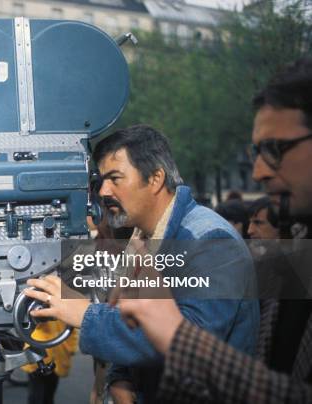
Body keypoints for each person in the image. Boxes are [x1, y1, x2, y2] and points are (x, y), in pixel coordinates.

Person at [114, 57, 312, 402]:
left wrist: (172, 334)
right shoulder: (298, 244)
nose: (259, 172)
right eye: (256, 152)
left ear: (156, 178)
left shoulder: (210, 238)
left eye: (275, 149)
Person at [24, 125, 259, 402]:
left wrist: (86, 315)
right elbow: (134, 322)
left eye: (115, 178)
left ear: (156, 178)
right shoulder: (142, 240)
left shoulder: (210, 240)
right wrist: (120, 378)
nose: (103, 191)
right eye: (101, 180)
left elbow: (188, 341)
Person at [20, 321, 78, 404]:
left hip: (57, 355)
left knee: (49, 394)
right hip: (38, 353)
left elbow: (72, 328)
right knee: (36, 395)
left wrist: (72, 347)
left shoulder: (66, 308)